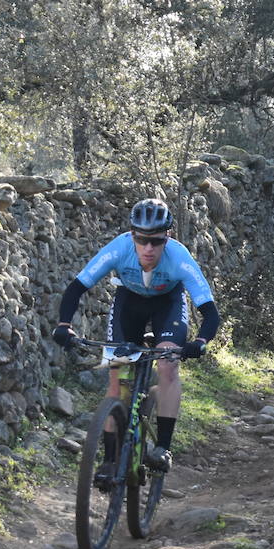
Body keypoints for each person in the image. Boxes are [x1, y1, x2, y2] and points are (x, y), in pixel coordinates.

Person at [52, 198, 220, 473]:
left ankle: (163, 447)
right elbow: (76, 288)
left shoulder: (179, 257)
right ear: (132, 235)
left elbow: (210, 311)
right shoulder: (119, 248)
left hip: (167, 305)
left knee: (167, 365)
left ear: (168, 237)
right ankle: (108, 460)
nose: (149, 248)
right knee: (118, 379)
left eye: (156, 241)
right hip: (129, 304)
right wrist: (64, 324)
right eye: (142, 240)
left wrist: (199, 342)